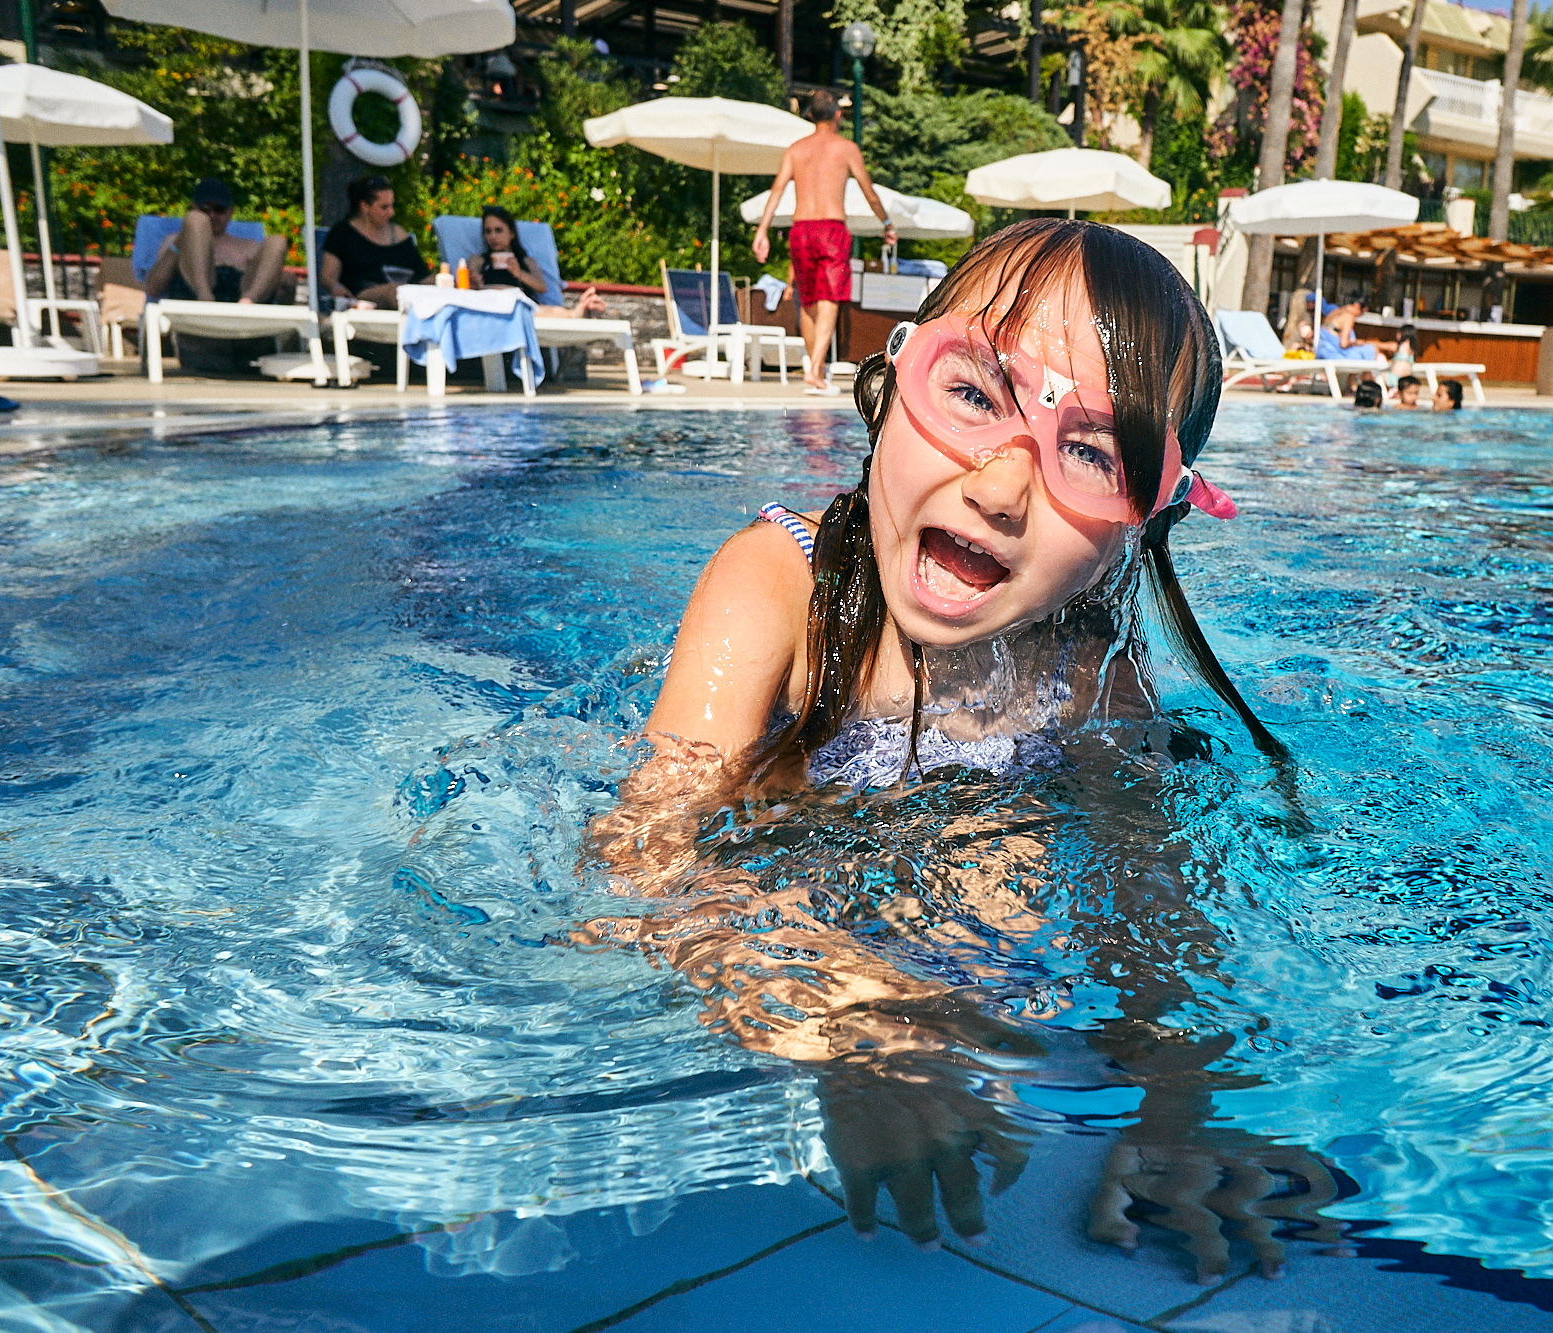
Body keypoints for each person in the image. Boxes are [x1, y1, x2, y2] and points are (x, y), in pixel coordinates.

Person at [582, 221, 1321, 1273]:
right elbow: (641, 858)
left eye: (1091, 453)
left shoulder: (1086, 674)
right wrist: (860, 1026)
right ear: (888, 386)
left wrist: (1176, 1100)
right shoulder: (774, 586)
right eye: (973, 393)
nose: (1002, 487)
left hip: (961, 943)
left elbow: (1147, 902)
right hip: (797, 886)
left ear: (1137, 527)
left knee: (1011, 891)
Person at [751, 88, 897, 396]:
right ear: (838, 115)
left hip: (801, 229)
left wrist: (761, 231)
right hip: (831, 229)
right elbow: (869, 192)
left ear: (809, 116)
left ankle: (814, 369)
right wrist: (886, 223)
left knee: (808, 299)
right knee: (830, 298)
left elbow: (776, 191)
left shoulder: (795, 149)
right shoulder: (846, 148)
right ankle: (815, 370)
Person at [143, 178, 289, 305]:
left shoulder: (249, 247)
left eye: (219, 209)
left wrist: (283, 283)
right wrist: (180, 242)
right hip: (193, 307)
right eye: (205, 208)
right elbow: (153, 289)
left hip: (241, 309)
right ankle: (204, 295)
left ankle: (248, 301)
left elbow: (282, 289)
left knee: (277, 241)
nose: (211, 215)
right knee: (195, 221)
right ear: (195, 207)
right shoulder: (175, 241)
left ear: (230, 211)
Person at [465, 205, 606, 315]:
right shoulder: (478, 260)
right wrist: (474, 282)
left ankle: (579, 312)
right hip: (490, 306)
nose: (493, 237)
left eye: (498, 230)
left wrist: (519, 273)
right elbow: (464, 288)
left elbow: (542, 287)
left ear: (512, 233)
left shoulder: (526, 262)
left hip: (520, 308)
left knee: (538, 311)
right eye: (488, 231)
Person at [320, 175, 429, 311]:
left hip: (404, 292)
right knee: (394, 292)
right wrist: (336, 288)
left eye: (391, 206)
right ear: (365, 206)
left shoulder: (398, 234)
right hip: (361, 296)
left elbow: (421, 275)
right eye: (384, 207)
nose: (391, 213)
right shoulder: (342, 234)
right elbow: (328, 276)